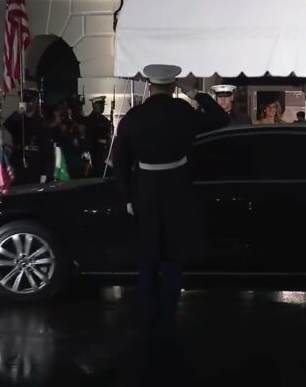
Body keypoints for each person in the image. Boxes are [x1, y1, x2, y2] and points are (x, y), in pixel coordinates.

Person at [112, 64, 228, 378]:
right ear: (171, 86)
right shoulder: (183, 111)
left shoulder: (133, 117)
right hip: (177, 188)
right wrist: (196, 93)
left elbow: (119, 162)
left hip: (145, 191)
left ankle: (147, 317)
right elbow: (221, 121)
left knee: (148, 257)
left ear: (150, 86)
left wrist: (127, 198)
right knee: (174, 256)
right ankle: (168, 316)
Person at [4, 89, 53, 185]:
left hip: (35, 164)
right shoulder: (18, 119)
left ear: (35, 101)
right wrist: (19, 113)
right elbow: (7, 125)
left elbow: (47, 151)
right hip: (18, 164)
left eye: (29, 100)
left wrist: (45, 173)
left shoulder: (41, 122)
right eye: (25, 100)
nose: (27, 103)